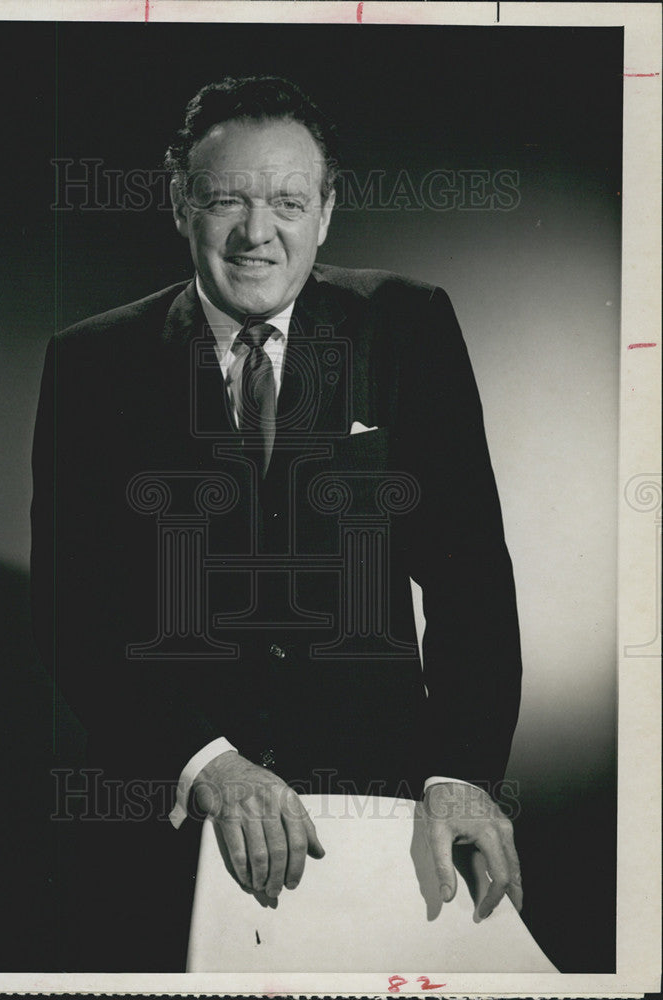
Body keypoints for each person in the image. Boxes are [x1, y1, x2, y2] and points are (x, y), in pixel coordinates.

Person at [30, 75, 523, 971]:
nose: (258, 234)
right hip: (173, 809)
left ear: (326, 211)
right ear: (182, 203)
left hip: (378, 813)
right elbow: (72, 608)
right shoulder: (90, 363)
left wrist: (461, 776)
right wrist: (205, 763)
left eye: (289, 202)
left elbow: (470, 578)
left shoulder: (408, 327)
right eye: (226, 200)